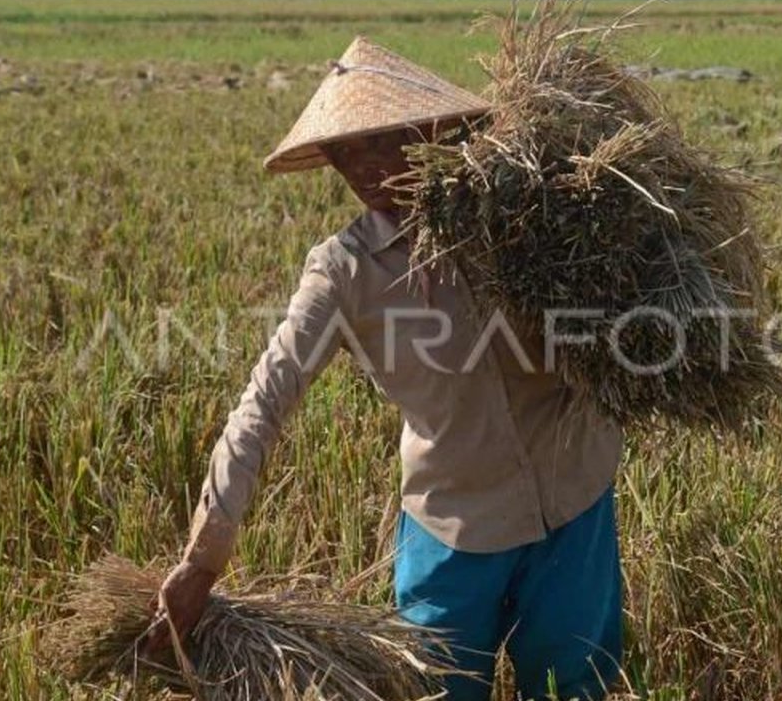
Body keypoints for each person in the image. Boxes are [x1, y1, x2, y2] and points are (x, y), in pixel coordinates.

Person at [143, 36, 625, 701]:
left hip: (573, 503)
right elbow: (264, 400)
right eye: (345, 153)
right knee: (437, 691)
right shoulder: (343, 273)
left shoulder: (521, 215)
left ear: (424, 130)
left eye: (377, 142)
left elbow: (621, 300)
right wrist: (204, 557)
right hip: (454, 528)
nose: (362, 169)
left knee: (575, 685)